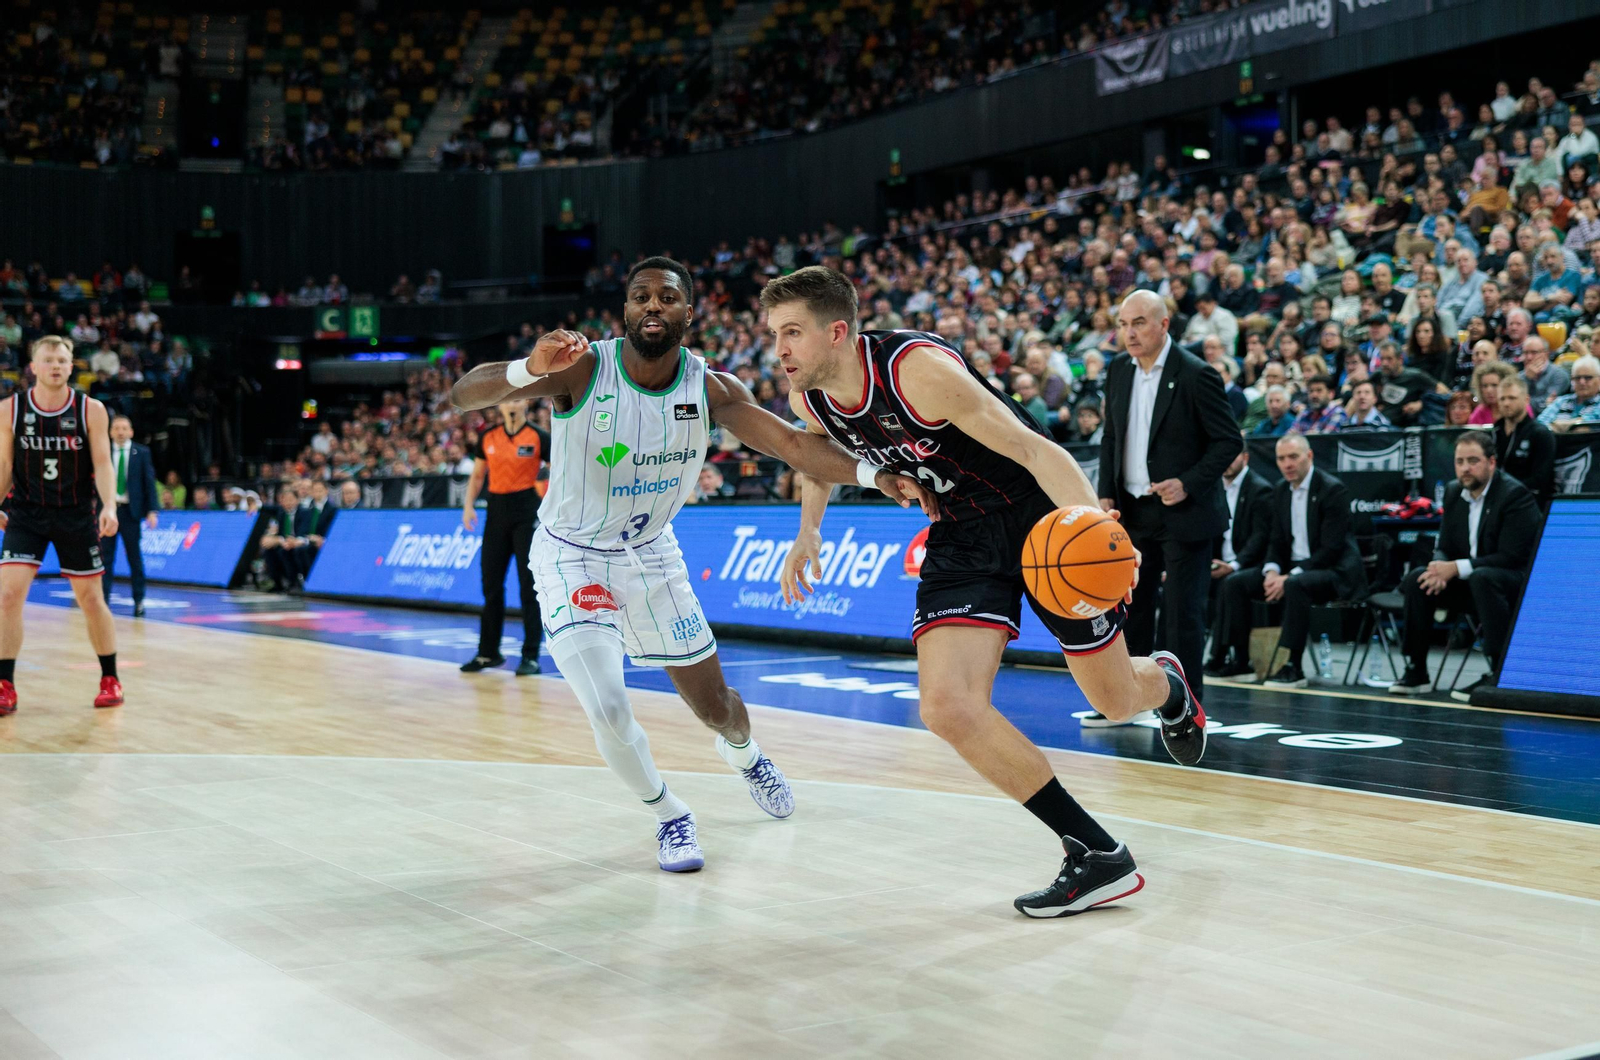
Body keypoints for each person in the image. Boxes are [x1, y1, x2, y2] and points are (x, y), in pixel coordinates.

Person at [450, 257, 936, 874]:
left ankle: (746, 753)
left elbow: (792, 445)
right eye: (640, 297)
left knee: (718, 709)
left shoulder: (711, 387)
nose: (653, 306)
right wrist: (527, 368)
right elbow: (464, 394)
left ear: (688, 312)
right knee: (607, 705)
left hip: (653, 554)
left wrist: (877, 474)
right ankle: (669, 813)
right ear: (625, 311)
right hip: (573, 554)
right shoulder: (581, 367)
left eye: (668, 297)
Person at [769, 270, 1212, 918]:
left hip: (1039, 521)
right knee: (947, 706)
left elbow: (1036, 450)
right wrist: (809, 530)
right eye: (775, 334)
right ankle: (1096, 853)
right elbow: (815, 455)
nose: (779, 349)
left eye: (792, 333)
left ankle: (1167, 685)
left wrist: (1099, 530)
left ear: (836, 332)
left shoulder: (916, 371)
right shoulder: (810, 395)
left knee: (1115, 699)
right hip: (961, 533)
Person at [1092, 288, 1242, 723]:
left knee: (1181, 613)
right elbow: (1111, 436)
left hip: (1184, 511)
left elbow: (1229, 440)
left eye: (1138, 323)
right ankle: (1128, 698)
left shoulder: (1196, 373)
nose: (1129, 333)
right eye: (1122, 324)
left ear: (1163, 325)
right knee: (1129, 610)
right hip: (1133, 509)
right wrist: (1107, 490)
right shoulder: (1119, 370)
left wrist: (1189, 483)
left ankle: (1184, 705)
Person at [0, 336, 123, 713]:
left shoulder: (92, 409)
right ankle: (5, 684)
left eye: (63, 360)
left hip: (74, 513)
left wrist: (109, 505)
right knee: (7, 597)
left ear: (72, 367)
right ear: (33, 367)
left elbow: (103, 463)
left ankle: (110, 678)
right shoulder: (10, 410)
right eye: (48, 360)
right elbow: (5, 466)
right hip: (26, 513)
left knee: (90, 599)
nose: (56, 366)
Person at [1389, 432, 1540, 701]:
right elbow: (1446, 544)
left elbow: (1512, 557)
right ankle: (1416, 670)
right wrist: (1439, 567)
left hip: (1513, 582)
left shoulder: (1515, 495)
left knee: (1483, 577)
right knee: (1418, 579)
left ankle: (1499, 671)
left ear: (1491, 462)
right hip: (1473, 580)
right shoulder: (1453, 491)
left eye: (1473, 461)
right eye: (1459, 461)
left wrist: (1456, 568)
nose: (1465, 468)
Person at [1213, 433, 1367, 686]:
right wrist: (1272, 571)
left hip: (1334, 572)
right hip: (1292, 571)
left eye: (1293, 457)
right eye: (1281, 458)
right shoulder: (1281, 490)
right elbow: (1276, 542)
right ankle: (1241, 661)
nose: (1287, 464)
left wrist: (1289, 576)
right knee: (1236, 582)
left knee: (1296, 585)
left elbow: (1331, 549)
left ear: (1309, 456)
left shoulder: (1332, 490)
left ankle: (1293, 665)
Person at [459, 397, 548, 677]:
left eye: (517, 399)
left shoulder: (539, 436)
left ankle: (531, 655)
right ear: (499, 406)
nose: (512, 405)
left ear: (526, 404)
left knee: (528, 585)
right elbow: (476, 476)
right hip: (496, 511)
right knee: (491, 585)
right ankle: (488, 652)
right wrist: (468, 506)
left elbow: (560, 473)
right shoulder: (488, 435)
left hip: (527, 510)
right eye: (507, 400)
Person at [1204, 448, 1272, 676]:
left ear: (1245, 457)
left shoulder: (1260, 489)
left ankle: (1232, 658)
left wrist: (1234, 565)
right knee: (1184, 582)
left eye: (1232, 455)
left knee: (1231, 584)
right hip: (1222, 562)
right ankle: (1174, 655)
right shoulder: (1214, 487)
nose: (1227, 461)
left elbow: (1260, 538)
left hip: (1253, 565)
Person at [99, 414, 158, 616]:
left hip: (130, 512)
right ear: (110, 432)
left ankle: (139, 600)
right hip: (108, 511)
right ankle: (103, 602)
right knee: (105, 558)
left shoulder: (141, 452)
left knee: (135, 558)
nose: (121, 432)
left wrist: (152, 510)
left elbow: (148, 483)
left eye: (124, 428)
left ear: (131, 431)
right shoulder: (103, 451)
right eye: (117, 428)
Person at [1494, 376, 1556, 508]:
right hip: (1496, 502)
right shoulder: (1494, 432)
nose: (1506, 403)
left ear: (1526, 400)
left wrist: (1504, 491)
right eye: (1502, 399)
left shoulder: (1540, 434)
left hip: (1528, 502)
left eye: (1512, 398)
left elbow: (1541, 479)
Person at [1537, 354, 1600, 432]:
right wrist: (1553, 427)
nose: (1582, 382)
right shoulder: (1561, 401)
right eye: (1577, 378)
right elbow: (1540, 423)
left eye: (1587, 378)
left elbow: (1593, 423)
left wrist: (1561, 425)